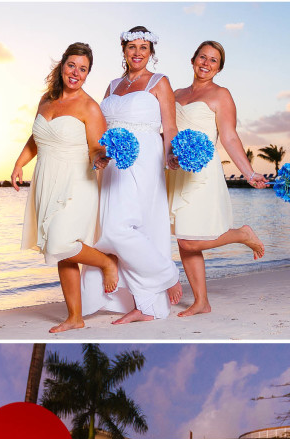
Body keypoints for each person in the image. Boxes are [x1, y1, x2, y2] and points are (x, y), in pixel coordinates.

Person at [12, 42, 118, 333]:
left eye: (83, 69)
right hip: (46, 179)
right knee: (60, 250)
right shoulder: (46, 99)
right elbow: (36, 138)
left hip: (77, 182)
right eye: (72, 65)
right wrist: (19, 163)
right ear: (62, 65)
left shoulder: (89, 106)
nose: (76, 73)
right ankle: (75, 317)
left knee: (61, 242)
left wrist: (100, 159)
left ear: (87, 74)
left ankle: (106, 263)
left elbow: (97, 147)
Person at [81, 26, 183, 323]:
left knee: (131, 227)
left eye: (144, 48)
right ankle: (145, 304)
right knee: (114, 229)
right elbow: (100, 127)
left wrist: (171, 156)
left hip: (146, 158)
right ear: (123, 50)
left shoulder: (159, 82)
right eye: (131, 47)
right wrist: (99, 155)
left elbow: (170, 126)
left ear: (151, 52)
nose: (137, 53)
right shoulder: (112, 85)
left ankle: (164, 277)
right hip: (114, 162)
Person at [167, 40, 268, 317]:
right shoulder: (174, 93)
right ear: (192, 59)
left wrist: (249, 173)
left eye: (213, 60)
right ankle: (201, 302)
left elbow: (230, 137)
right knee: (183, 239)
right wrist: (168, 156)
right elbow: (166, 133)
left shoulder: (221, 94)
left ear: (219, 67)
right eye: (202, 57)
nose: (206, 63)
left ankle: (241, 234)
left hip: (202, 175)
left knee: (189, 240)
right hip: (176, 172)